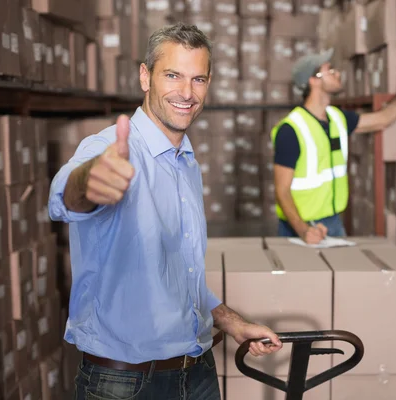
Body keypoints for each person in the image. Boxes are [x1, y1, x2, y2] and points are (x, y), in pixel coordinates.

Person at [48, 23, 282, 400]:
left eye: (198, 79)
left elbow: (180, 276)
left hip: (198, 372)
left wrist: (234, 323)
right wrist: (88, 183)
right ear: (145, 76)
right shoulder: (109, 149)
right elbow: (63, 197)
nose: (186, 93)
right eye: (172, 75)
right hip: (125, 384)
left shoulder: (186, 161)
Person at [271, 47, 396, 244]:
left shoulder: (337, 119)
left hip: (333, 223)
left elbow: (382, 119)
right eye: (330, 70)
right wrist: (303, 231)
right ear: (313, 80)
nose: (338, 73)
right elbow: (282, 190)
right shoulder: (291, 130)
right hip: (299, 227)